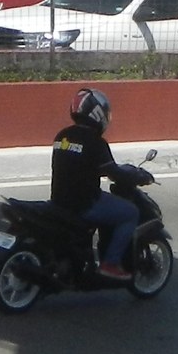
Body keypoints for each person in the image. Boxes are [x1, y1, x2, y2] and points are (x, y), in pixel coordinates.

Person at [50, 86, 142, 281]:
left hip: (59, 202)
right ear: (98, 112)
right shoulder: (96, 142)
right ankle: (110, 263)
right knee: (130, 212)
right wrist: (135, 177)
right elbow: (114, 173)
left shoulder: (62, 136)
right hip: (85, 204)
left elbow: (80, 164)